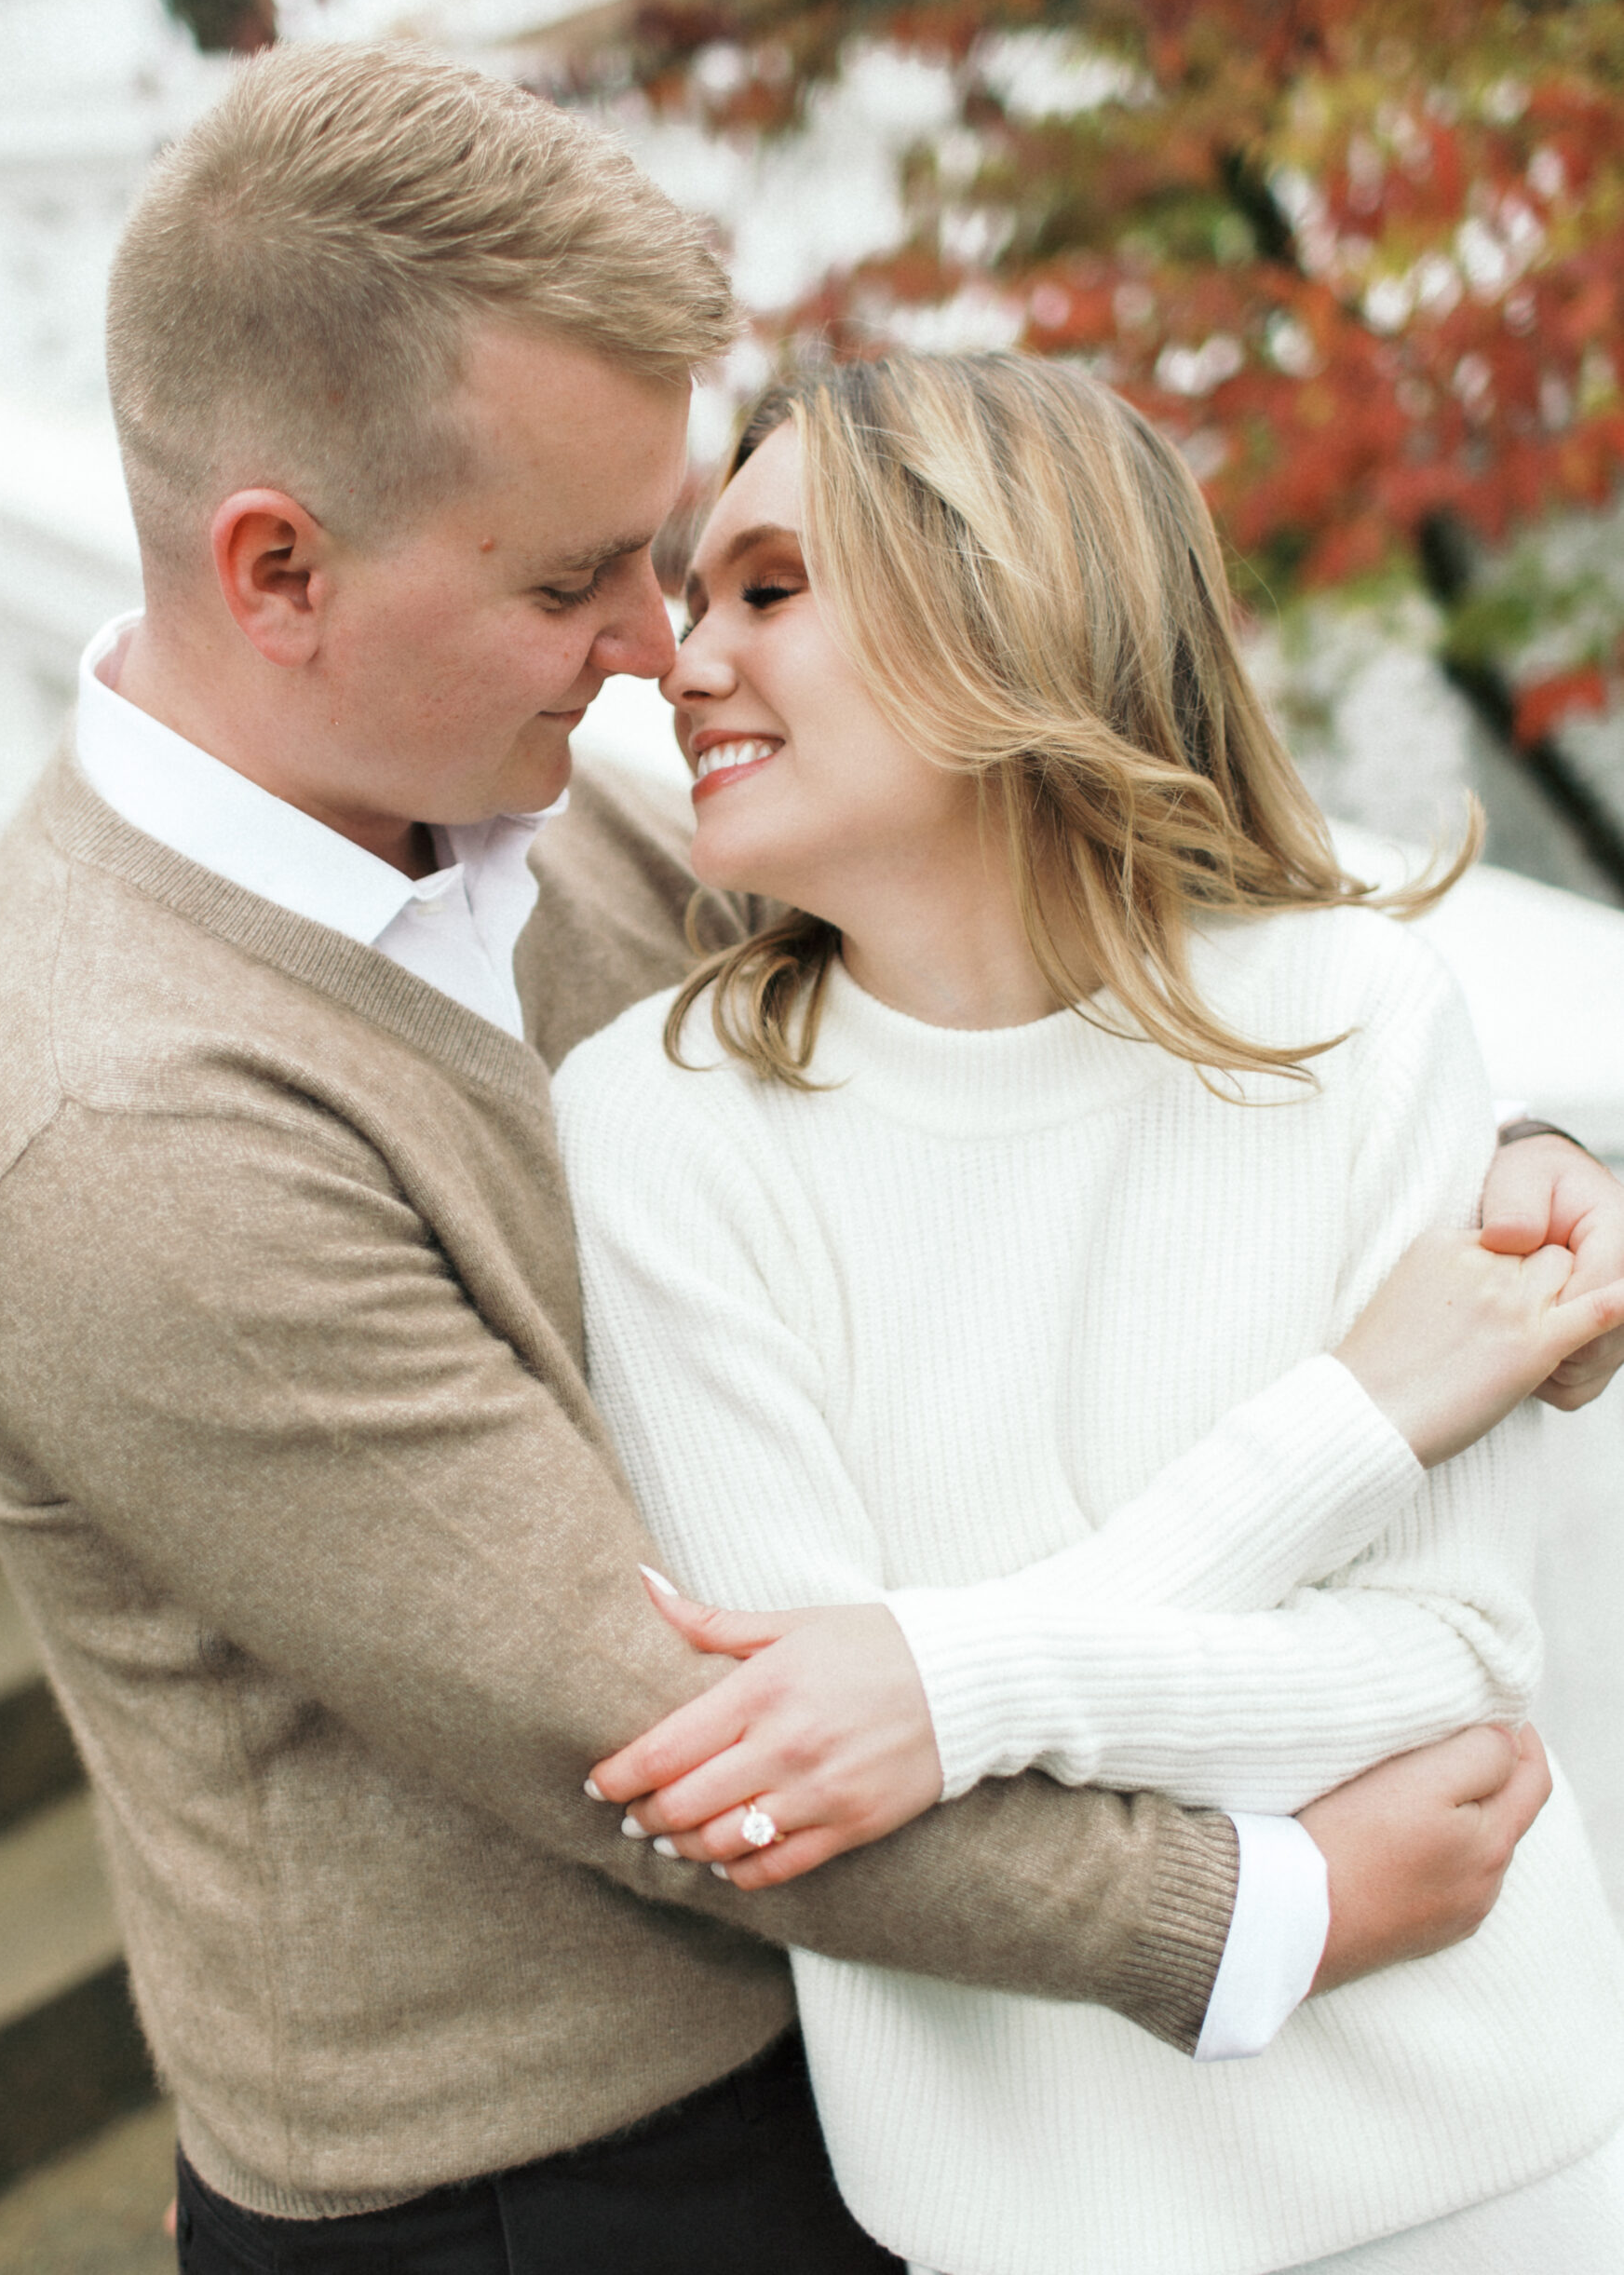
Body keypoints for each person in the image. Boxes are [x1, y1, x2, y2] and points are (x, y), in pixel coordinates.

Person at [0, 43, 1606, 2274]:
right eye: (578, 582)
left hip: (898, 2064)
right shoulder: (107, 1137)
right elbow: (710, 1752)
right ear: (277, 568)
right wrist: (1267, 1899)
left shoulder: (549, 805)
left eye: (686, 558)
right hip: (543, 2185)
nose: (651, 649)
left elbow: (1041, 977)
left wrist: (1508, 1150)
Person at [555, 355, 1624, 2272]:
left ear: (1003, 595)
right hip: (1024, 2220)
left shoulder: (1354, 1016)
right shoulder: (651, 1124)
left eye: (766, 588)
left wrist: (952, 1683)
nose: (682, 654)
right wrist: (1347, 1428)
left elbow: (1447, 1676)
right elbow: (804, 1760)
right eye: (688, 593)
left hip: (1497, 2169)